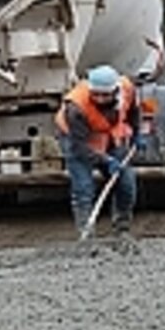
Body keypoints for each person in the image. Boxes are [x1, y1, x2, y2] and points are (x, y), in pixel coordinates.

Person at [55, 64, 143, 255]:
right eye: (96, 94)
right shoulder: (75, 108)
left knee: (126, 182)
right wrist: (106, 161)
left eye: (105, 95)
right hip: (77, 141)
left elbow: (134, 111)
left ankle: (122, 230)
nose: (100, 99)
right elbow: (80, 148)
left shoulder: (127, 89)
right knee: (84, 188)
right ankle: (86, 237)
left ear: (115, 91)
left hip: (109, 135)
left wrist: (137, 133)